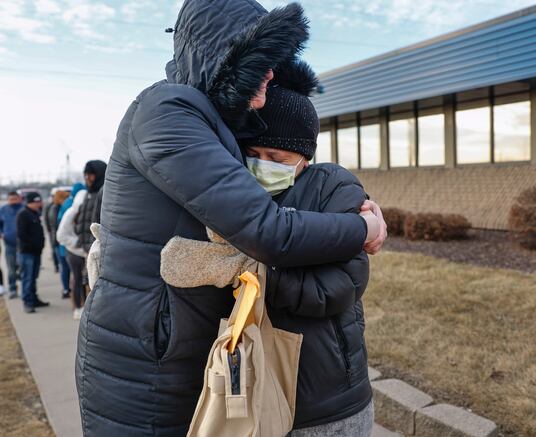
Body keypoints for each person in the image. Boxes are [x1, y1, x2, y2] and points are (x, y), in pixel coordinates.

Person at [75, 1, 387, 435]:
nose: (272, 74)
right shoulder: (168, 111)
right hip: (145, 354)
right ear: (222, 56)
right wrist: (366, 228)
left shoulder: (209, 120)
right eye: (262, 60)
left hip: (178, 349)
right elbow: (268, 231)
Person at [162, 84, 379, 436]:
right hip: (250, 386)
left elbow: (337, 288)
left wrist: (249, 271)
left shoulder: (333, 186)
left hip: (327, 398)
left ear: (305, 158)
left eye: (277, 159)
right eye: (254, 153)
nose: (263, 165)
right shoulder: (233, 194)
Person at [57, 183, 88, 320]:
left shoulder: (90, 211)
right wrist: (77, 243)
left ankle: (87, 306)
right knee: (76, 279)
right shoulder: (70, 212)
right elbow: (61, 235)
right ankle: (78, 307)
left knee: (88, 280)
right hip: (73, 251)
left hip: (86, 251)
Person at [16, 192, 48, 313]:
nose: (39, 204)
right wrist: (33, 245)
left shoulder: (35, 213)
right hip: (27, 252)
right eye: (36, 202)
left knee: (34, 277)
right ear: (30, 202)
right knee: (27, 278)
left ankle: (34, 299)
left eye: (39, 201)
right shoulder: (23, 214)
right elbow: (21, 234)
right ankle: (27, 302)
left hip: (36, 252)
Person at [0, 191, 23, 298]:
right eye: (11, 199)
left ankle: (24, 284)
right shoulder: (3, 210)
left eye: (15, 199)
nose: (13, 201)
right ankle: (12, 288)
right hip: (10, 243)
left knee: (22, 265)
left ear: (19, 199)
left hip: (23, 244)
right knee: (11, 268)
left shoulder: (24, 209)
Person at [47, 190, 71, 298]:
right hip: (59, 242)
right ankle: (66, 289)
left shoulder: (53, 208)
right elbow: (60, 227)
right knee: (65, 267)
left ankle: (66, 288)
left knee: (64, 267)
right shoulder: (57, 209)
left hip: (56, 240)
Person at [44, 194, 60, 273]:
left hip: (53, 231)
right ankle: (56, 265)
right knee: (54, 250)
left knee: (54, 249)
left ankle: (57, 265)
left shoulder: (55, 206)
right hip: (52, 231)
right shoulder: (50, 207)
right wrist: (49, 230)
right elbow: (46, 219)